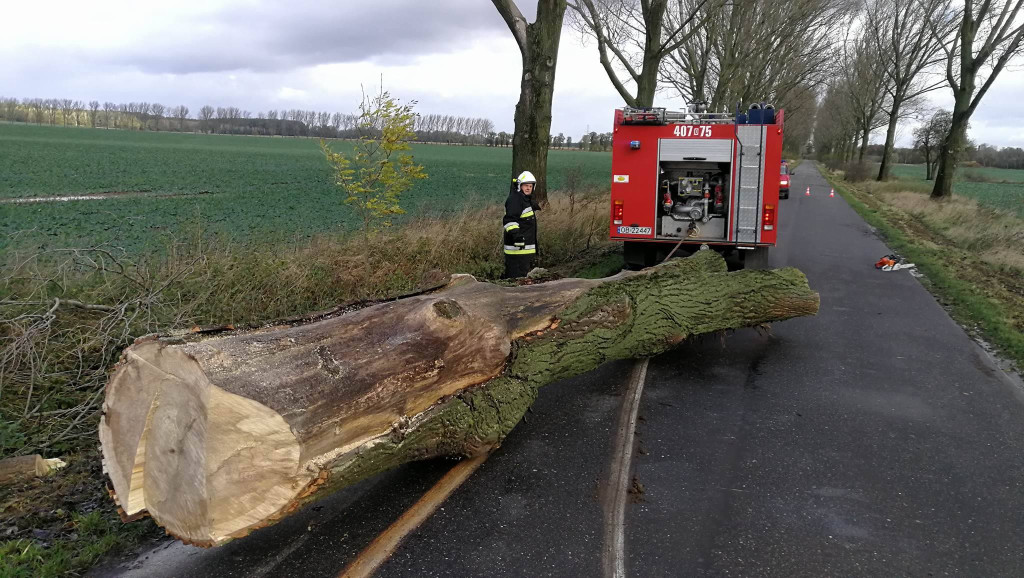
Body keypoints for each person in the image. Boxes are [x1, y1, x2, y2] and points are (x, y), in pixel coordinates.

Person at [502, 170, 540, 279]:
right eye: (525, 186)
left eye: (530, 186)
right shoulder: (515, 199)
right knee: (517, 281)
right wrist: (516, 235)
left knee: (523, 281)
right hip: (517, 252)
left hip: (524, 251)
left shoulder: (524, 200)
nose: (528, 188)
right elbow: (510, 220)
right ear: (519, 186)